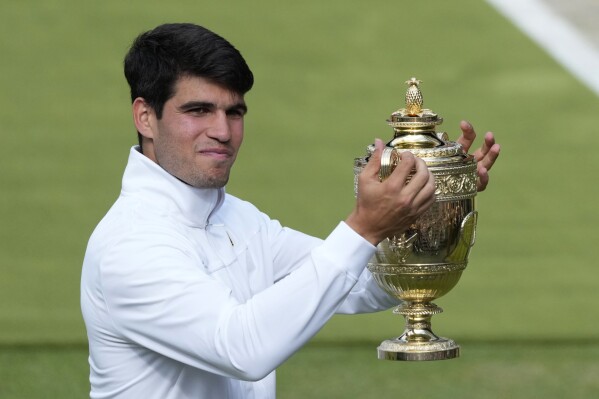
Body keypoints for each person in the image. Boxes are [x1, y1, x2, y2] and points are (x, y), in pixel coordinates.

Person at [80, 23, 500, 399]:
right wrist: (363, 228)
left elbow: (366, 285)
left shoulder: (237, 220)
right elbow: (243, 349)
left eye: (234, 112)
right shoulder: (130, 245)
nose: (223, 131)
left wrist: (437, 206)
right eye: (198, 111)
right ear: (145, 117)